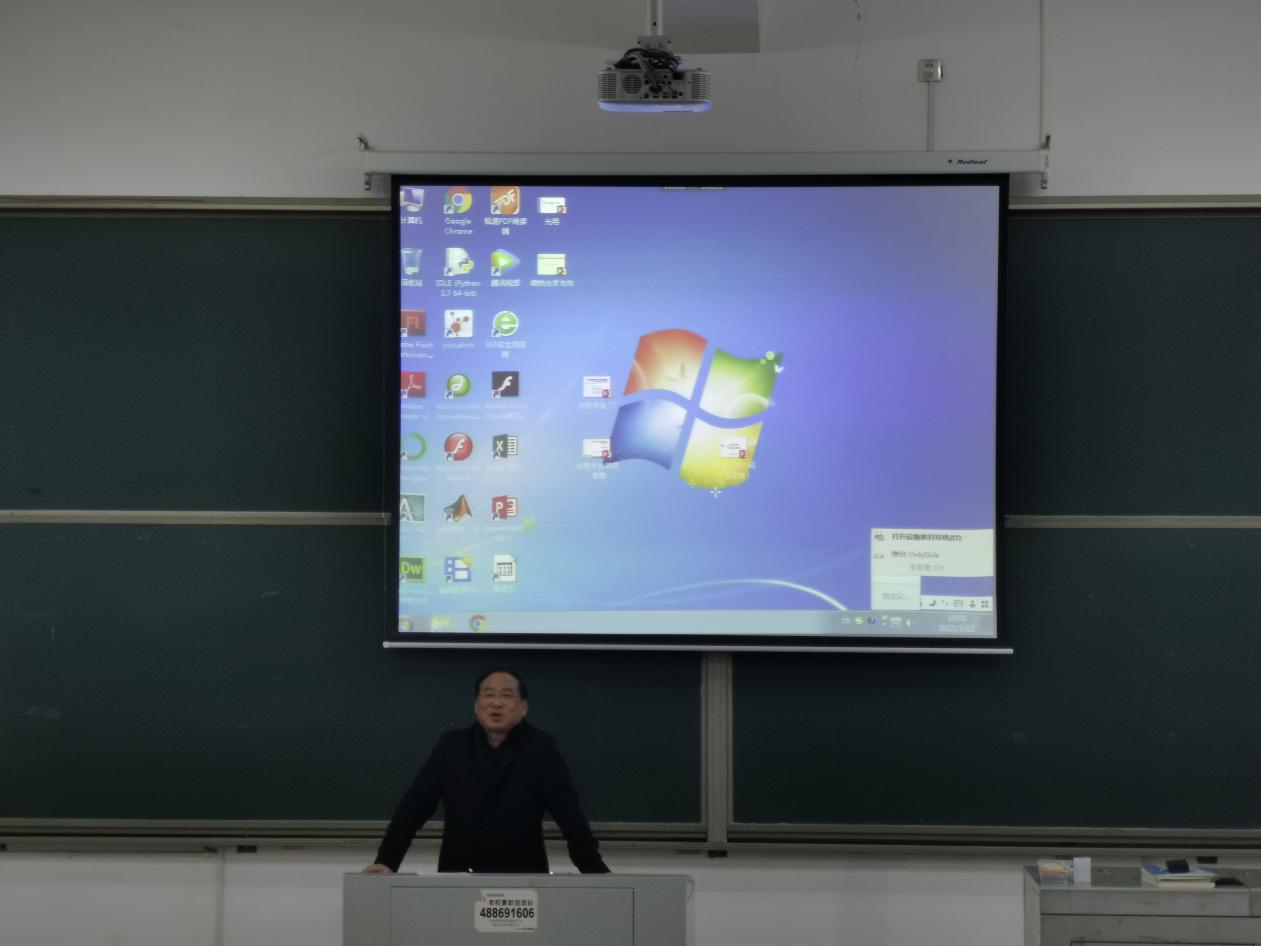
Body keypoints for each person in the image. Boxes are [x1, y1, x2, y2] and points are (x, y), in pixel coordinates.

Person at [363, 668, 609, 874]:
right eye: (488, 695)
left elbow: (569, 815)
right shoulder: (452, 746)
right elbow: (414, 807)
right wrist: (387, 861)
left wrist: (595, 871)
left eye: (506, 696)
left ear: (523, 707)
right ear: (476, 705)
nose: (496, 703)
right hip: (459, 875)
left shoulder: (540, 749)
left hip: (523, 881)